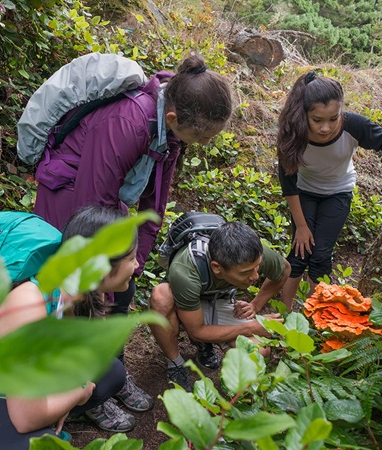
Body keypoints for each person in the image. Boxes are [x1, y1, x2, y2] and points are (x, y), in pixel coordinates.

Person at [32, 55, 233, 406]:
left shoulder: (169, 131)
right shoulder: (128, 122)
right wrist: (105, 272)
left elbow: (155, 203)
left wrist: (134, 260)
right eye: (204, 136)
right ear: (174, 118)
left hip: (107, 202)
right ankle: (84, 397)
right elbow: (91, 205)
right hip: (70, 200)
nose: (206, 143)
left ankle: (112, 376)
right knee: (81, 300)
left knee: (122, 292)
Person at [0, 206, 142, 449]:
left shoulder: (77, 287)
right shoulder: (30, 302)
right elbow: (25, 419)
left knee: (110, 372)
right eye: (131, 258)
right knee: (35, 442)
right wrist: (77, 393)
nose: (137, 265)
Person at [277, 71, 382, 311]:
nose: (326, 127)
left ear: (341, 112)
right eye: (317, 120)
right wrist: (301, 227)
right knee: (300, 252)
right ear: (304, 114)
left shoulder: (353, 124)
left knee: (321, 255)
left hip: (338, 192)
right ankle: (284, 311)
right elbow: (288, 184)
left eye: (333, 119)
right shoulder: (293, 133)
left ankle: (315, 314)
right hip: (304, 192)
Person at [149, 221, 291, 392]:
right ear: (217, 267)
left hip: (218, 299)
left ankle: (222, 372)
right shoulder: (185, 270)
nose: (254, 276)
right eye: (246, 273)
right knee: (160, 296)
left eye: (257, 267)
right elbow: (197, 331)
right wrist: (251, 327)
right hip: (183, 301)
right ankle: (176, 363)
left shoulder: (251, 253)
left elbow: (284, 270)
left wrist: (255, 305)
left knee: (259, 351)